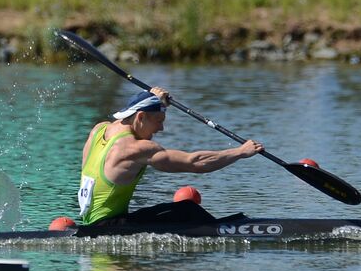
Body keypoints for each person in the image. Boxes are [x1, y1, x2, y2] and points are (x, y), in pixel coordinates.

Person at [77, 88, 264, 226]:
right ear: (141, 117)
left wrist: (154, 99)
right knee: (187, 210)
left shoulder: (100, 129)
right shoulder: (135, 149)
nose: (161, 129)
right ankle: (226, 231)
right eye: (159, 121)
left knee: (176, 211)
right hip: (109, 227)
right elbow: (194, 163)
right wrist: (239, 152)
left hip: (93, 222)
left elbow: (131, 114)